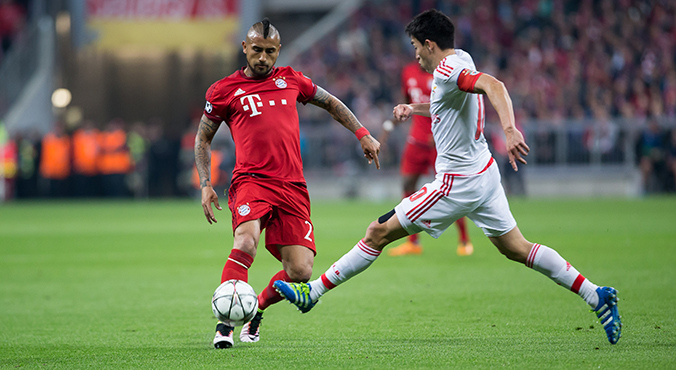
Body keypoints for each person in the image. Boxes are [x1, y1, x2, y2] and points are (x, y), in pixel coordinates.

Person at [274, 10, 621, 345]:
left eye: (414, 47)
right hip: (484, 172)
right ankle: (596, 295)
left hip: (458, 182)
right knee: (517, 248)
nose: (415, 56)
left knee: (377, 232)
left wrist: (511, 129)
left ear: (428, 44)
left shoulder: (446, 68)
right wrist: (415, 109)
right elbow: (451, 100)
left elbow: (493, 85)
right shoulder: (461, 59)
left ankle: (313, 291)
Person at [195, 18, 380, 349]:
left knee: (300, 272)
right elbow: (203, 138)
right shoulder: (223, 90)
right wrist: (206, 183)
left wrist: (362, 132)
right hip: (251, 180)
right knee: (246, 242)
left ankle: (256, 310)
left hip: (292, 186)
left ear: (278, 51)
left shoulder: (292, 79)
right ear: (244, 48)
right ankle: (225, 325)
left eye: (269, 52)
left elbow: (331, 103)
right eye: (256, 51)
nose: (262, 58)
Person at [382, 61, 473, 257]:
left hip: (439, 143)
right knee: (407, 183)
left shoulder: (444, 74)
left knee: (450, 190)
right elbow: (407, 100)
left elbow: (455, 106)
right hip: (416, 140)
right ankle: (412, 242)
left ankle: (464, 240)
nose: (417, 53)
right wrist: (390, 125)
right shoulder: (408, 72)